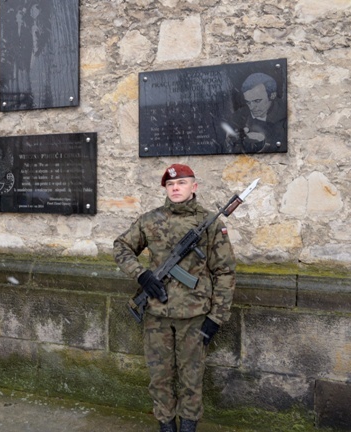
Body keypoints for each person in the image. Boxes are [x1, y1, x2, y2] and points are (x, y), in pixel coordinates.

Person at [113, 164, 236, 432]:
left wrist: (216, 317)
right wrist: (141, 275)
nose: (175, 188)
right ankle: (166, 426)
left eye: (181, 183)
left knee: (192, 379)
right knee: (159, 377)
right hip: (157, 314)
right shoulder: (149, 220)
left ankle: (188, 426)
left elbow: (225, 273)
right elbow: (121, 247)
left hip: (194, 316)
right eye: (170, 185)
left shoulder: (210, 224)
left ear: (194, 187)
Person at [225, 72, 287, 153]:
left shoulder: (285, 117)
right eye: (248, 102)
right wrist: (230, 142)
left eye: (257, 101)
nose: (252, 107)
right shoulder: (238, 117)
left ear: (272, 95)